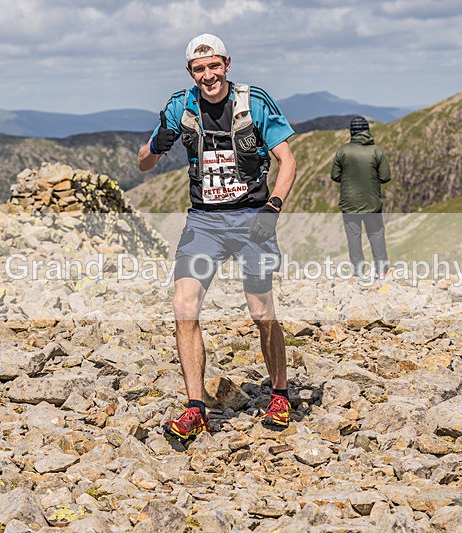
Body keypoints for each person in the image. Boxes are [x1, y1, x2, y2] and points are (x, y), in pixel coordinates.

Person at [137, 33, 297, 440]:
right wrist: (157, 144)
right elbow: (143, 164)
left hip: (251, 219)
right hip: (204, 222)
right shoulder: (180, 107)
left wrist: (273, 207)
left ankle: (279, 393)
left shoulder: (254, 102)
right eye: (199, 68)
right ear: (189, 72)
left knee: (262, 311)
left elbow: (288, 161)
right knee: (183, 305)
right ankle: (196, 407)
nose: (208, 75)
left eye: (214, 66)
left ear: (227, 63)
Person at [330, 116, 391, 278]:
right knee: (376, 234)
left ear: (352, 132)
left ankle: (358, 271)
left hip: (349, 203)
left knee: (354, 237)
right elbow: (385, 177)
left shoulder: (343, 150)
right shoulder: (376, 151)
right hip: (372, 203)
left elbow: (335, 176)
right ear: (367, 131)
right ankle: (382, 270)